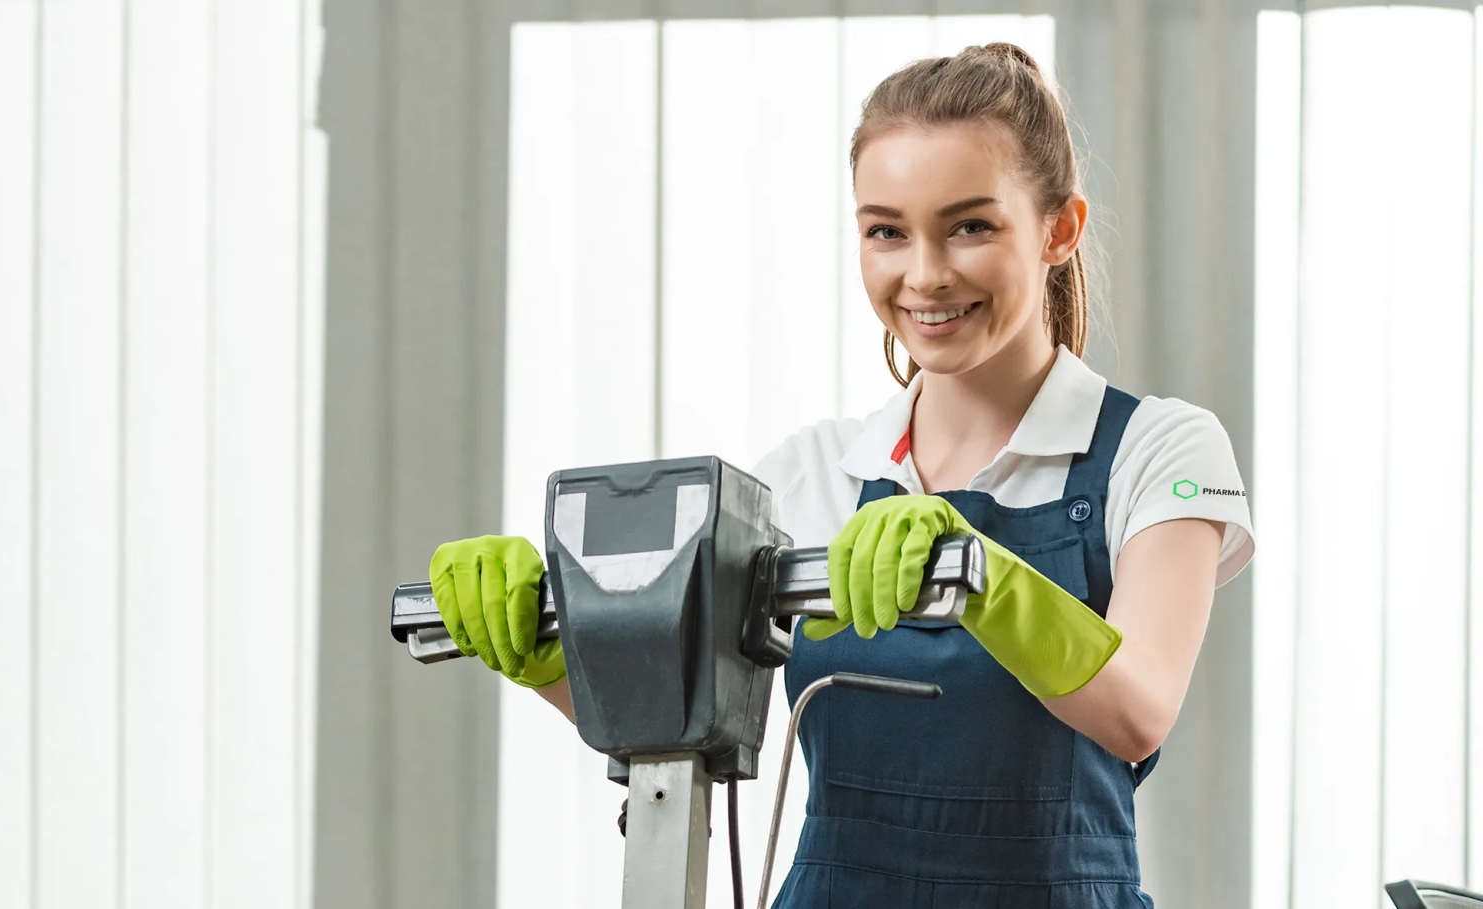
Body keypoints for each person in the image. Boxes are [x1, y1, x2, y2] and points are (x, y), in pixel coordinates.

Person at [429, 42, 1254, 908]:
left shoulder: (1158, 449)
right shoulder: (810, 476)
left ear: (1059, 229)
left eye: (971, 225)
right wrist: (548, 643)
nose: (925, 274)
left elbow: (1138, 710)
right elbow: (672, 725)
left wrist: (980, 579)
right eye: (886, 230)